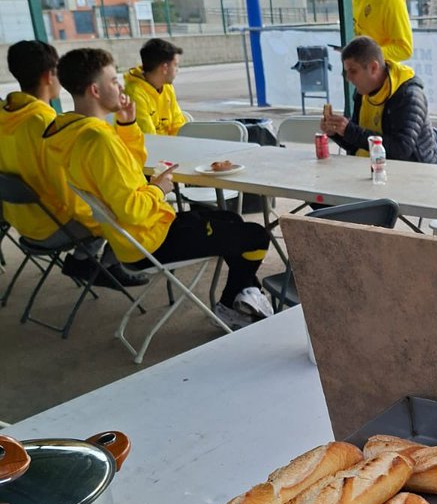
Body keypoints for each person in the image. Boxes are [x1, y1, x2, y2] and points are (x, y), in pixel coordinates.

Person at [45, 48, 273, 329]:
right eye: (114, 81)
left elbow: (129, 165)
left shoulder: (76, 132)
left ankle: (245, 295)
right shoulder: (99, 140)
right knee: (257, 235)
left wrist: (127, 124)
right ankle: (230, 305)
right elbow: (130, 209)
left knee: (230, 219)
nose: (120, 87)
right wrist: (159, 189)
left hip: (136, 236)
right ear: (95, 90)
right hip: (150, 242)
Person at [0, 39, 146, 289]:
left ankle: (85, 261)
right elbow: (69, 193)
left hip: (21, 221)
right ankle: (104, 265)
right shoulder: (45, 124)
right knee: (119, 210)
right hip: (53, 226)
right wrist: (105, 222)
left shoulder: (7, 113)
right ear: (49, 76)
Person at [321, 36, 437, 164]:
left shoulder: (408, 95)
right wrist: (337, 132)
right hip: (372, 168)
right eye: (346, 71)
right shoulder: (362, 92)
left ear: (373, 68)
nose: (348, 78)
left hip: (415, 172)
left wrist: (350, 131)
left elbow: (401, 150)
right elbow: (357, 144)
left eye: (353, 71)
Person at [124, 38, 187, 135]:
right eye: (175, 65)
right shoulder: (135, 94)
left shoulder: (167, 87)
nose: (177, 69)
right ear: (165, 68)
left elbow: (178, 124)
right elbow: (150, 137)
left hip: (169, 143)